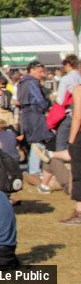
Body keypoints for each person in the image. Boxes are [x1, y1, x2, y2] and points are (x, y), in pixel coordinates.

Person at [18, 61, 51, 175]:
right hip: (35, 113)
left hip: (27, 114)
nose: (42, 74)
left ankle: (34, 169)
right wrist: (47, 105)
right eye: (40, 71)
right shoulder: (32, 82)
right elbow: (39, 99)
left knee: (35, 142)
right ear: (31, 70)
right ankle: (34, 170)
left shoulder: (22, 82)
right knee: (38, 142)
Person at [59, 84, 81, 224]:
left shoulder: (78, 89)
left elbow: (78, 117)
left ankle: (79, 211)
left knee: (78, 172)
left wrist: (71, 142)